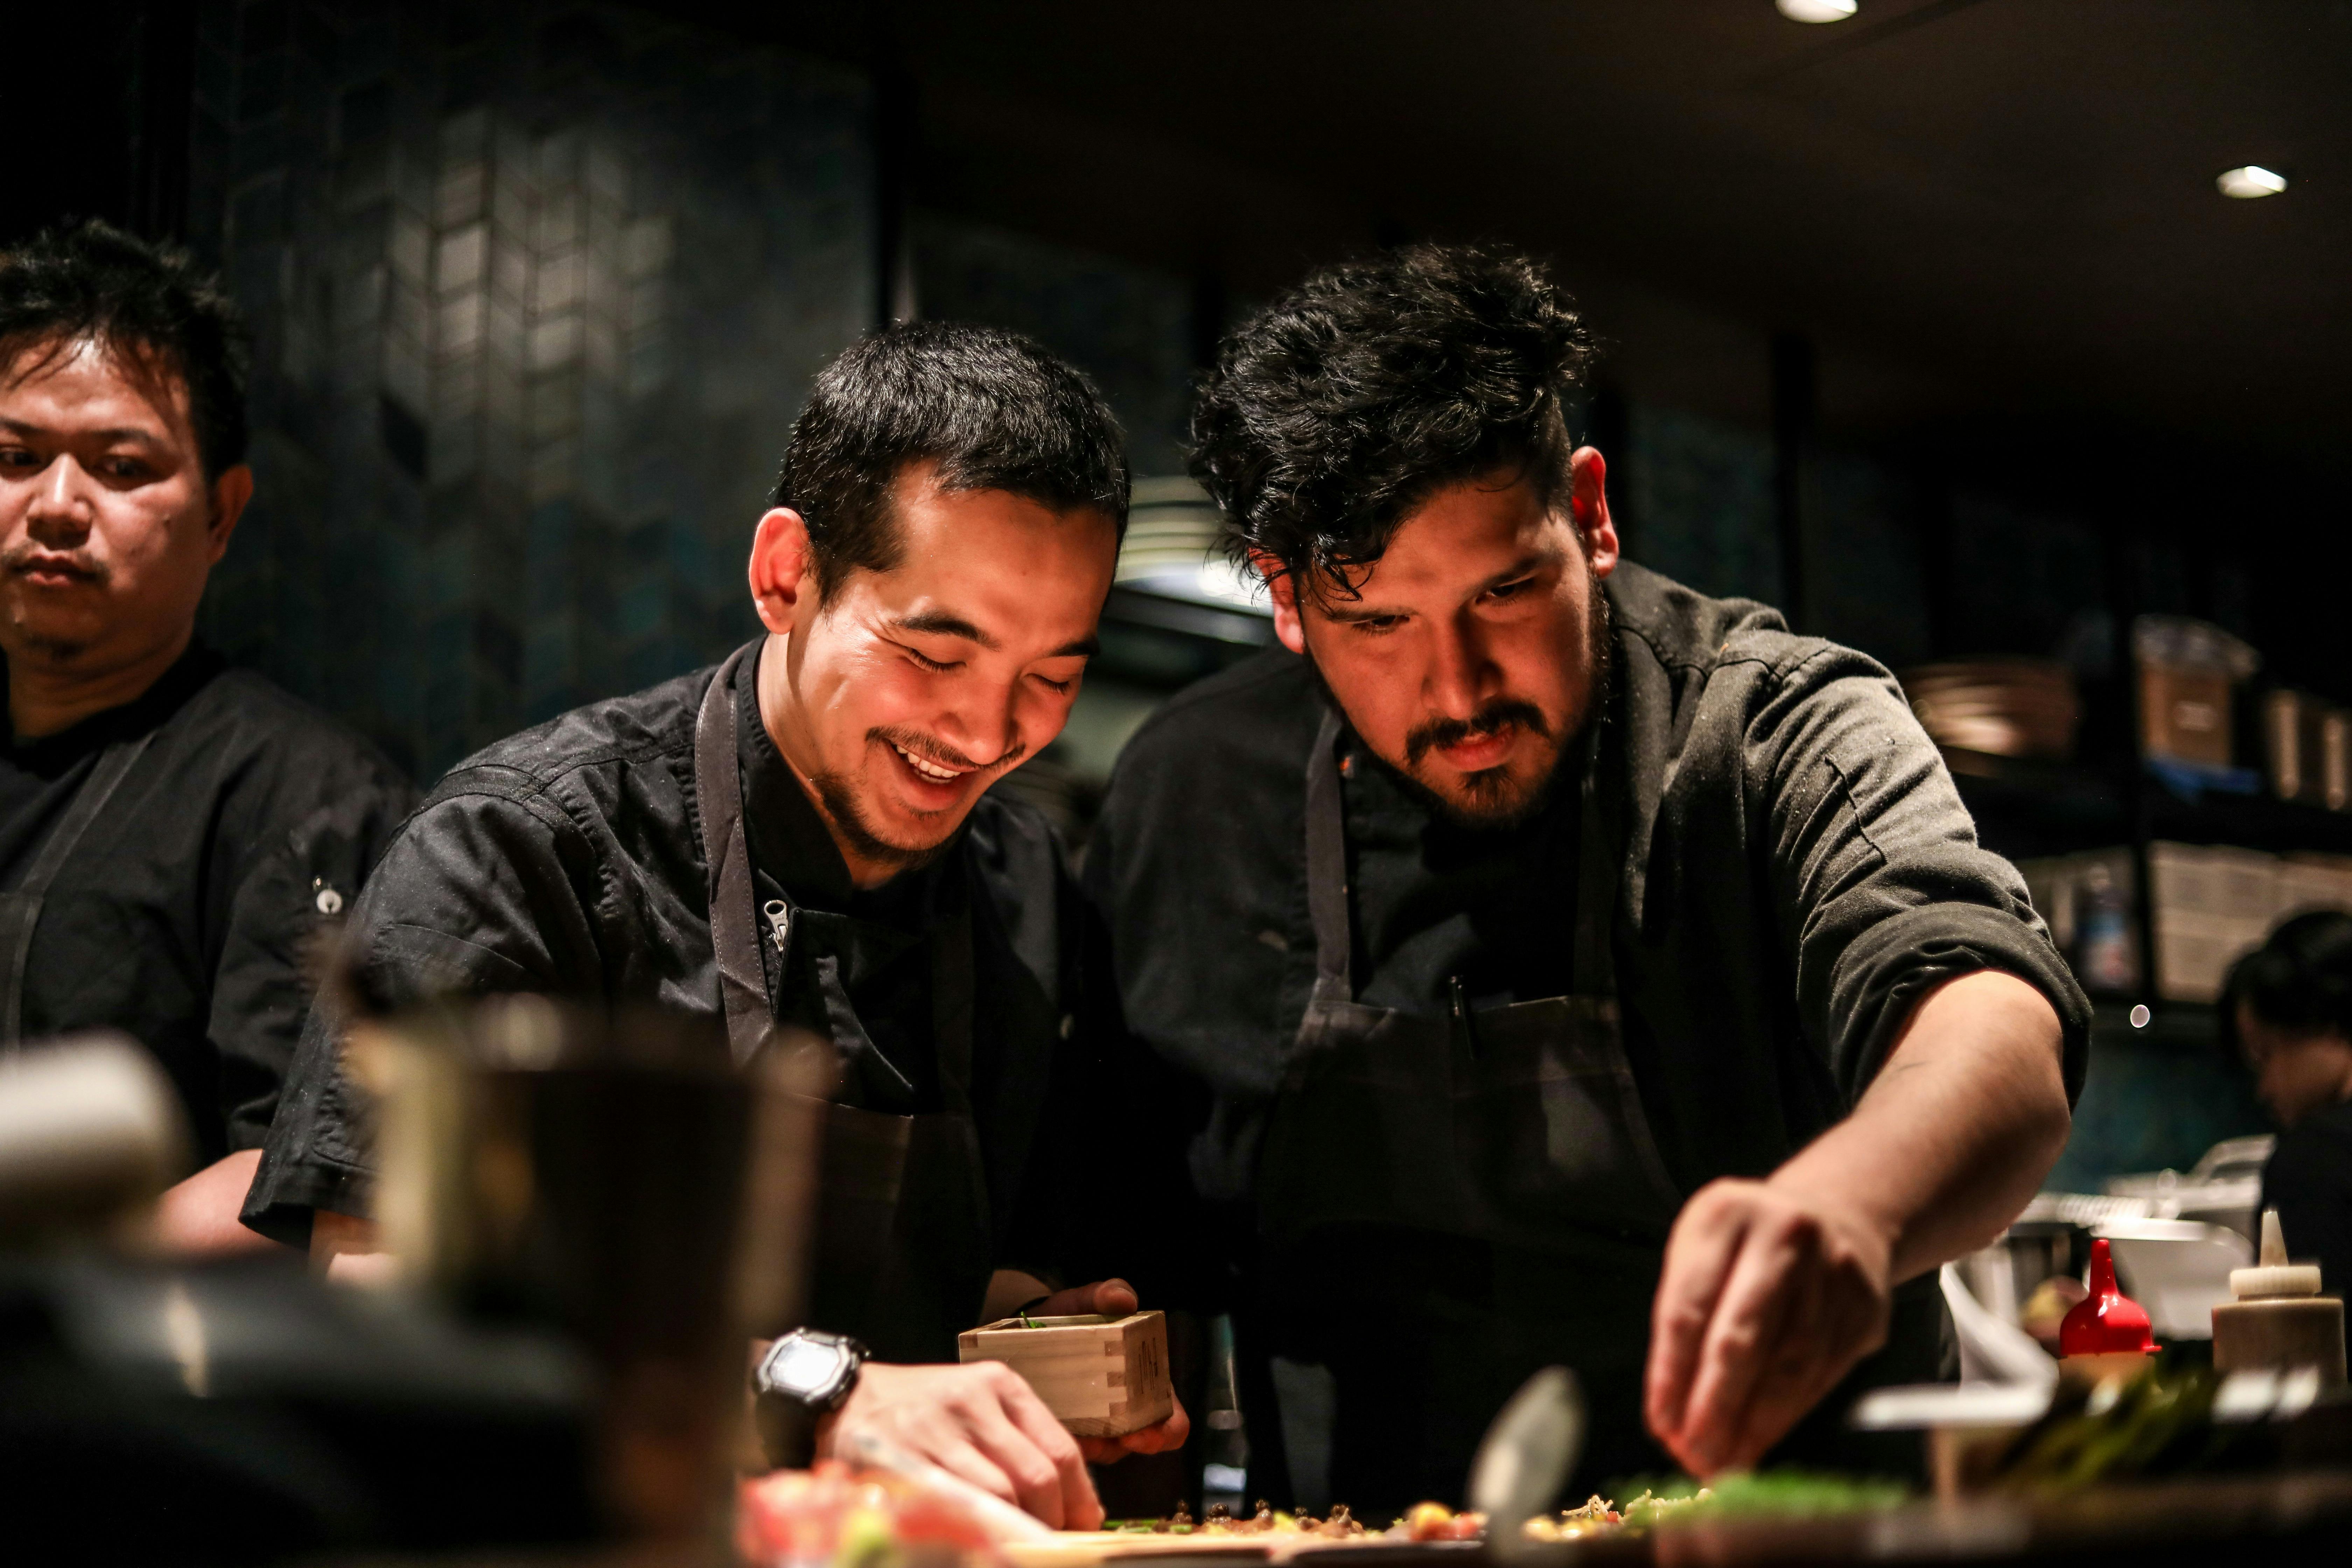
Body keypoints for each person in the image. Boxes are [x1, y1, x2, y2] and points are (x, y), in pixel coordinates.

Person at [1087, 246, 2087, 1509]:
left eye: (1504, 590)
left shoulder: (1768, 727)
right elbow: (1124, 1261)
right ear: (1284, 597)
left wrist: (1851, 1207)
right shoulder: (1189, 794)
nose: (1458, 689)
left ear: (1587, 511)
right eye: (1378, 623)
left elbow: (1989, 1019)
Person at [245, 322, 1186, 1527]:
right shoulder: (521, 846)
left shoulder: (1024, 883)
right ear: (787, 574)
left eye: (1051, 677)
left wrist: (1036, 1344)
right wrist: (820, 1394)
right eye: (933, 652)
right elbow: (385, 1303)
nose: (988, 732)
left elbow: (966, 1274)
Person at [0, 220, 415, 1253]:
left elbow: (301, 1167)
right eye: (15, 457)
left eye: (120, 465)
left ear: (222, 514)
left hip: (118, 1336)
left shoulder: (308, 795)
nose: (57, 506)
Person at [2224, 910, 2352, 1295]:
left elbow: (2296, 1324)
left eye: (2266, 1054)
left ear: (2328, 1023)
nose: (2264, 1089)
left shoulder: (2316, 1156)